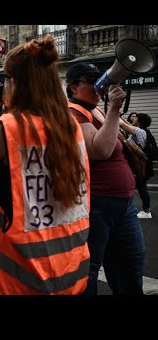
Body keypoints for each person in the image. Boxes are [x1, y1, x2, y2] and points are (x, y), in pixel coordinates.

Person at [0, 35, 91, 295]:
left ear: (17, 83)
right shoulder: (70, 125)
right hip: (71, 271)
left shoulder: (10, 127)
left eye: (6, 78)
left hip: (17, 279)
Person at [66, 61, 145, 295]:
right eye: (91, 82)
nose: (99, 87)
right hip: (96, 206)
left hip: (123, 205)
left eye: (101, 80)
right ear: (73, 87)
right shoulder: (72, 113)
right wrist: (113, 110)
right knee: (88, 271)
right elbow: (100, 150)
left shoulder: (95, 110)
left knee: (129, 264)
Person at [120, 113, 153, 219]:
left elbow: (123, 125)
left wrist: (113, 112)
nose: (133, 118)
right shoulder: (141, 131)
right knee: (138, 186)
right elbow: (126, 123)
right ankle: (141, 209)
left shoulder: (139, 131)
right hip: (138, 164)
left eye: (136, 118)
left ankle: (146, 211)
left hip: (138, 165)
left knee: (139, 187)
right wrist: (121, 118)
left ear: (139, 121)